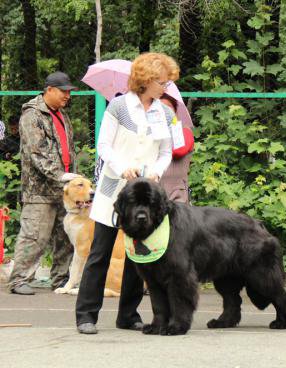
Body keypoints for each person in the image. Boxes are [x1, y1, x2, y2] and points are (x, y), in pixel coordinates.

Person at [75, 52, 178, 334]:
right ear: (145, 80)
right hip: (114, 191)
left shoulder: (165, 112)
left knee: (137, 256)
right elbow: (104, 146)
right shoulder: (119, 106)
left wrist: (157, 170)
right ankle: (86, 315)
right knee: (100, 253)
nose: (165, 86)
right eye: (162, 81)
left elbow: (167, 151)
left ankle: (128, 315)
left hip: (144, 195)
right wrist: (122, 167)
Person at [8, 72, 79, 295]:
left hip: (64, 189)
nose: (67, 95)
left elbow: (68, 150)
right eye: (63, 91)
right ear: (49, 90)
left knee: (65, 236)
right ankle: (19, 280)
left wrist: (71, 177)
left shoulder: (61, 115)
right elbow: (36, 153)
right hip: (40, 190)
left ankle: (61, 278)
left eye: (69, 92)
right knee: (34, 235)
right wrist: (60, 175)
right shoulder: (32, 115)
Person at [159, 92, 194, 203]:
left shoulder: (184, 130)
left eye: (167, 109)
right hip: (153, 194)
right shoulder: (146, 133)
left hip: (177, 196)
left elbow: (179, 150)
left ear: (175, 112)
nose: (164, 112)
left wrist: (173, 123)